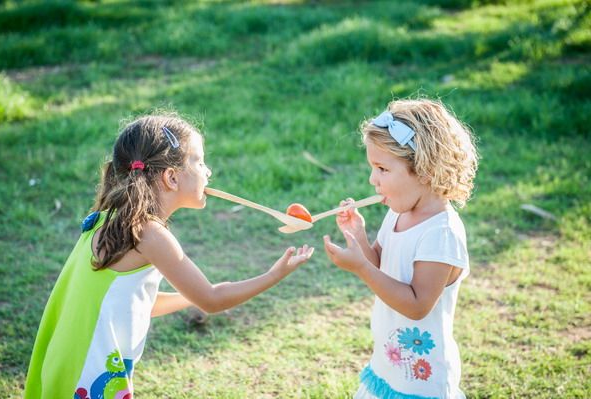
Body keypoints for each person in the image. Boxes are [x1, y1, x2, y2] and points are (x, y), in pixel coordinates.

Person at [24, 113, 314, 399]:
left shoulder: (105, 220)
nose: (208, 171)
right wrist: (275, 274)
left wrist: (189, 295)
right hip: (89, 374)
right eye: (200, 162)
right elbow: (212, 299)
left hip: (65, 363)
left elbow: (133, 302)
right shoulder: (150, 234)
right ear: (172, 177)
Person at [323, 99, 478, 399]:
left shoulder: (441, 233)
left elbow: (417, 305)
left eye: (382, 168)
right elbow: (381, 264)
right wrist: (359, 237)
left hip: (422, 380)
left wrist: (361, 268)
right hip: (389, 363)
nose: (372, 179)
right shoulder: (399, 212)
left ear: (425, 171)